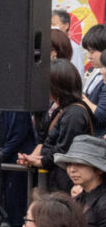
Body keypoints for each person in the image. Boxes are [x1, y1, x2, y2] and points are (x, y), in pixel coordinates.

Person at [18, 59, 92, 193]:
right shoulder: (62, 109)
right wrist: (33, 158)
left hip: (67, 182)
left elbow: (64, 150)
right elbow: (47, 142)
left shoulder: (74, 113)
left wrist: (40, 161)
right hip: (57, 178)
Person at [55, 134, 106, 227]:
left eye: (80, 164)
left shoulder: (103, 203)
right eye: (69, 164)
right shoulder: (79, 199)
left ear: (98, 169)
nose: (72, 170)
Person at [81, 23, 106, 135]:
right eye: (88, 52)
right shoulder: (95, 72)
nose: (89, 56)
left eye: (92, 52)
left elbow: (101, 115)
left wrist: (82, 98)